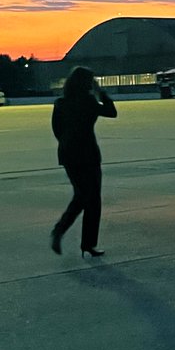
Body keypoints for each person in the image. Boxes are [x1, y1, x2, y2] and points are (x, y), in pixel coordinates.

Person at [49, 66, 118, 257]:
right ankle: (80, 239)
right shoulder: (88, 101)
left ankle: (65, 233)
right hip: (88, 154)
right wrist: (100, 92)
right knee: (91, 199)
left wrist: (67, 144)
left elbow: (56, 129)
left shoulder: (60, 103)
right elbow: (112, 112)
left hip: (68, 154)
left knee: (82, 195)